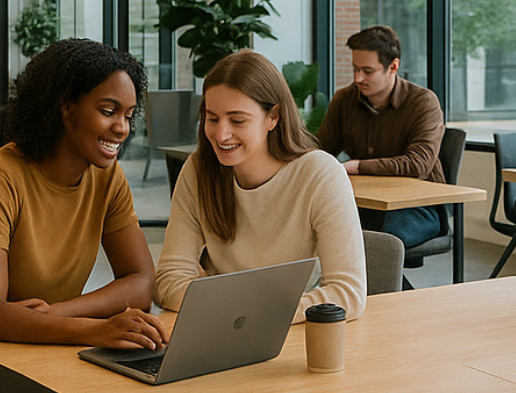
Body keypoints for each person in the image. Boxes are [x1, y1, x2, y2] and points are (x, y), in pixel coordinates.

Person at [0, 38, 167, 350]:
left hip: (44, 333)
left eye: (128, 114)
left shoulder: (108, 177)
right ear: (66, 105)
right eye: (109, 111)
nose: (122, 127)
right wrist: (92, 331)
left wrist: (59, 313)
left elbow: (140, 282)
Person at [156, 49, 367, 324]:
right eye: (212, 118)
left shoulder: (320, 174)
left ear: (273, 117)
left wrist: (252, 311)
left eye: (237, 120)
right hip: (224, 332)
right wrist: (241, 310)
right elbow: (168, 281)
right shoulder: (199, 171)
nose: (221, 135)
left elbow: (348, 293)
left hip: (295, 333)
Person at [316, 25, 445, 248]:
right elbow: (320, 150)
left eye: (367, 71)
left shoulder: (423, 102)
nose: (358, 78)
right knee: (319, 230)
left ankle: (384, 284)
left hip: (416, 206)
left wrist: (357, 166)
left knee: (377, 244)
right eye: (355, 68)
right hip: (364, 203)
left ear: (393, 66)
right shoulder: (344, 99)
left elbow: (419, 164)